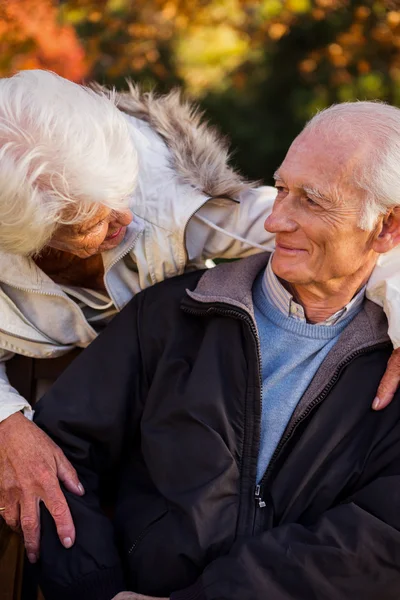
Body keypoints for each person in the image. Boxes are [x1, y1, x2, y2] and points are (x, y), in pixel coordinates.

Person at [0, 69, 400, 561]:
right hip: (66, 398)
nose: (126, 221)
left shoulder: (172, 201)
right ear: (28, 240)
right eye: (94, 220)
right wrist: (6, 420)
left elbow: (354, 243)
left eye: (121, 197)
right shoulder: (24, 228)